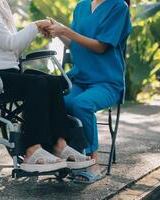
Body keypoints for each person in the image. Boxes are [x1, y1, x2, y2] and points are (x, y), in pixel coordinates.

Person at [0, 0, 95, 173]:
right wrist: (35, 26)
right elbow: (10, 43)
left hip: (8, 72)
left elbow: (14, 51)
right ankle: (31, 150)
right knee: (38, 84)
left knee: (53, 82)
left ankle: (60, 145)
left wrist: (34, 29)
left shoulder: (1, 5)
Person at [44, 0, 132, 183]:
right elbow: (73, 45)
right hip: (80, 78)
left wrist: (65, 30)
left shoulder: (119, 7)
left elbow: (100, 47)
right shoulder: (81, 6)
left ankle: (92, 163)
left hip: (107, 82)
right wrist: (57, 32)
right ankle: (68, 155)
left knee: (81, 104)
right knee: (58, 101)